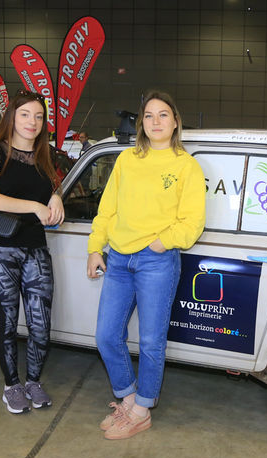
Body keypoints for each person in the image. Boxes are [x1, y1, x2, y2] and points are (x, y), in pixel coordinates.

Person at [87, 91, 206, 440]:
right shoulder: (126, 160)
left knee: (152, 341)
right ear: (142, 123)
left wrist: (161, 241)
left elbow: (192, 220)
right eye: (149, 116)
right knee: (107, 336)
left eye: (163, 115)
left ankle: (142, 410)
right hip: (119, 259)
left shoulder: (186, 165)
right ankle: (128, 399)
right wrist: (96, 248)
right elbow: (107, 208)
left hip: (157, 261)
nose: (156, 121)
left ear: (175, 122)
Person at [0, 90, 64, 414]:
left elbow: (49, 186)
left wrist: (55, 198)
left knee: (41, 323)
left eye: (39, 116)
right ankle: (12, 385)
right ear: (12, 116)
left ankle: (34, 382)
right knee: (8, 322)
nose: (32, 122)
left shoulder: (45, 154)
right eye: (25, 114)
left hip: (35, 247)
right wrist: (35, 206)